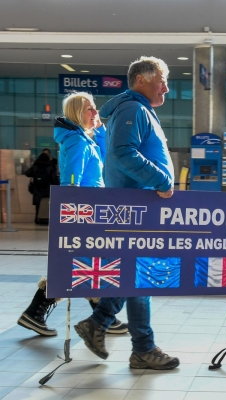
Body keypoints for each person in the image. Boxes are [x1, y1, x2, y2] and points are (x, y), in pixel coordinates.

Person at [74, 56, 179, 370]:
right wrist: (161, 180)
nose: (167, 88)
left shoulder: (136, 109)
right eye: (162, 81)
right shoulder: (133, 109)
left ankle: (107, 327)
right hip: (135, 207)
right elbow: (122, 154)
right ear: (141, 80)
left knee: (136, 276)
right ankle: (138, 345)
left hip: (136, 206)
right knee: (139, 276)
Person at [18, 92, 127, 336]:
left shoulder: (83, 140)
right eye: (90, 109)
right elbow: (71, 183)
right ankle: (97, 316)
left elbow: (104, 150)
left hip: (91, 210)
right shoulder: (77, 142)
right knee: (85, 262)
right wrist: (74, 218)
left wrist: (98, 129)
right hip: (84, 212)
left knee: (85, 262)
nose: (95, 113)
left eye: (95, 108)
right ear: (78, 113)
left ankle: (96, 316)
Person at [25, 152, 58, 225]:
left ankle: (37, 219)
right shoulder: (50, 166)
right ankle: (46, 219)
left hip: (37, 189)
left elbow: (27, 173)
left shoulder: (35, 165)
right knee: (47, 204)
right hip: (47, 189)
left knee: (37, 205)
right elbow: (54, 178)